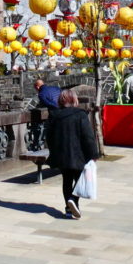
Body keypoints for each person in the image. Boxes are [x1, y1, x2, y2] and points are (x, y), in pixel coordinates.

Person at [45, 89, 99, 219]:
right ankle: (73, 200)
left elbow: (48, 136)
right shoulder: (80, 115)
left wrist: (54, 151)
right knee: (80, 179)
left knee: (67, 180)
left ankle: (69, 209)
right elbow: (88, 137)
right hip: (78, 153)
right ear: (74, 100)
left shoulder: (54, 115)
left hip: (62, 154)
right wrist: (93, 154)